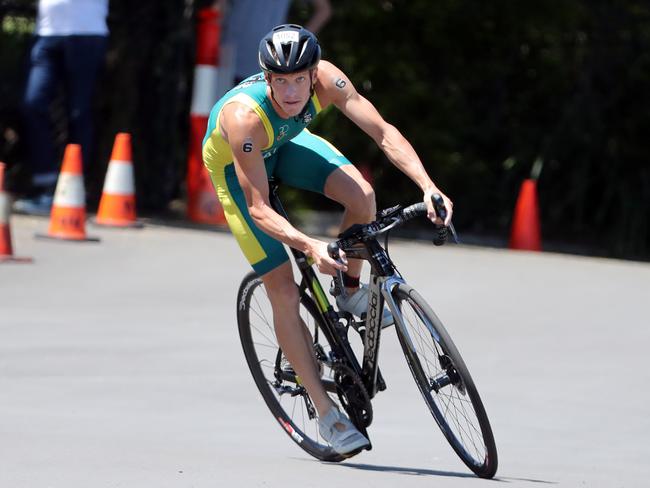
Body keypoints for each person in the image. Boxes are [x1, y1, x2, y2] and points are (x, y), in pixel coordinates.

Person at [202, 24, 453, 455]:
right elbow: (259, 207)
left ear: (313, 72)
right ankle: (326, 415)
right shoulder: (243, 118)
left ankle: (349, 290)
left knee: (364, 196)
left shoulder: (329, 80)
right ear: (266, 79)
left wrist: (427, 185)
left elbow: (384, 132)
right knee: (281, 285)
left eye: (300, 79)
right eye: (280, 81)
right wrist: (310, 245)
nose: (291, 90)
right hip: (236, 171)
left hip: (285, 143)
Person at [14, 0, 109, 215]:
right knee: (33, 104)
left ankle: (72, 190)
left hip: (87, 33)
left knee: (78, 113)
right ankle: (45, 184)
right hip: (47, 32)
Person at [218, 0, 331, 84]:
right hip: (226, 60)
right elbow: (219, 8)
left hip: (266, 64)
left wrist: (299, 43)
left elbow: (324, 10)